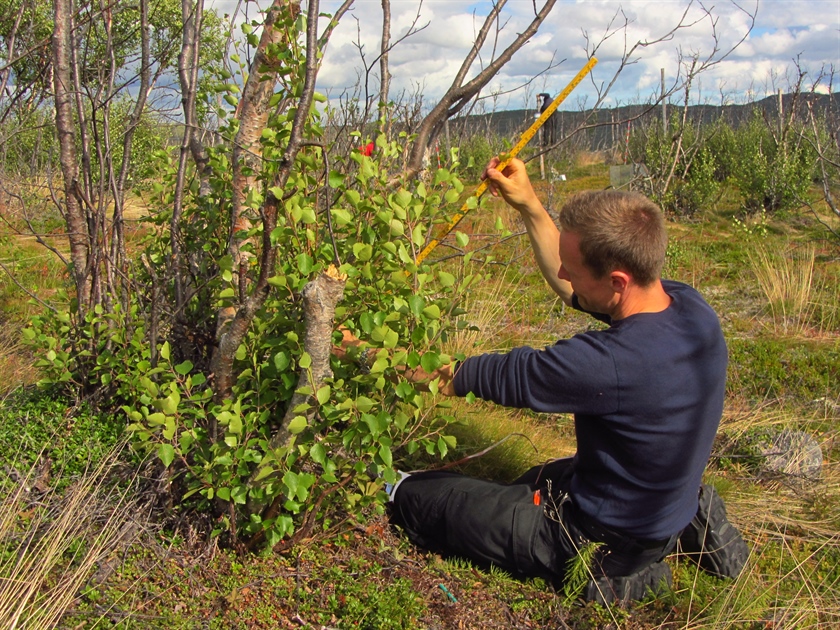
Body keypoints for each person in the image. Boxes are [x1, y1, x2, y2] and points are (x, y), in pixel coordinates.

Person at [340, 157, 748, 604]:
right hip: (653, 504)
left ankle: (624, 579)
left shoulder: (605, 363)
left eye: (572, 268)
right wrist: (531, 206)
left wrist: (356, 349)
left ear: (617, 279)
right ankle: (688, 524)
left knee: (420, 498)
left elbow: (454, 376)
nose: (563, 275)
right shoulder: (688, 307)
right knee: (526, 484)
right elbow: (580, 290)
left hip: (598, 539)